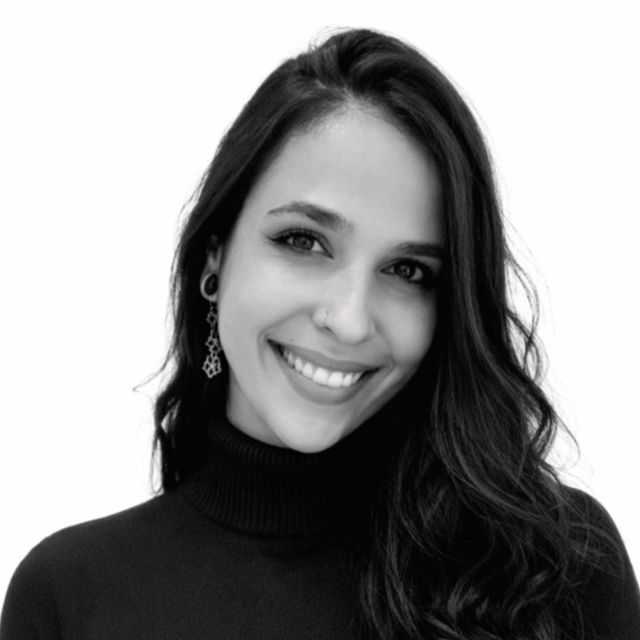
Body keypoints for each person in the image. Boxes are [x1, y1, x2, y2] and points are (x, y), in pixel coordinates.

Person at [1, 26, 639, 640]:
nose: (351, 319)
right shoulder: (70, 596)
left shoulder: (554, 569)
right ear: (215, 258)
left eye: (408, 270)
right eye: (304, 241)